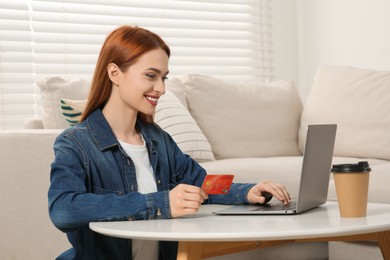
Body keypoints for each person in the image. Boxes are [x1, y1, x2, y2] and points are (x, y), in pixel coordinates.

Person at [48, 25, 291, 260]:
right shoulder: (75, 143)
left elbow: (201, 182)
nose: (161, 88)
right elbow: (63, 209)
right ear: (115, 73)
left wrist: (247, 191)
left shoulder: (157, 139)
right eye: (151, 76)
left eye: (163, 77)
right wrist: (161, 203)